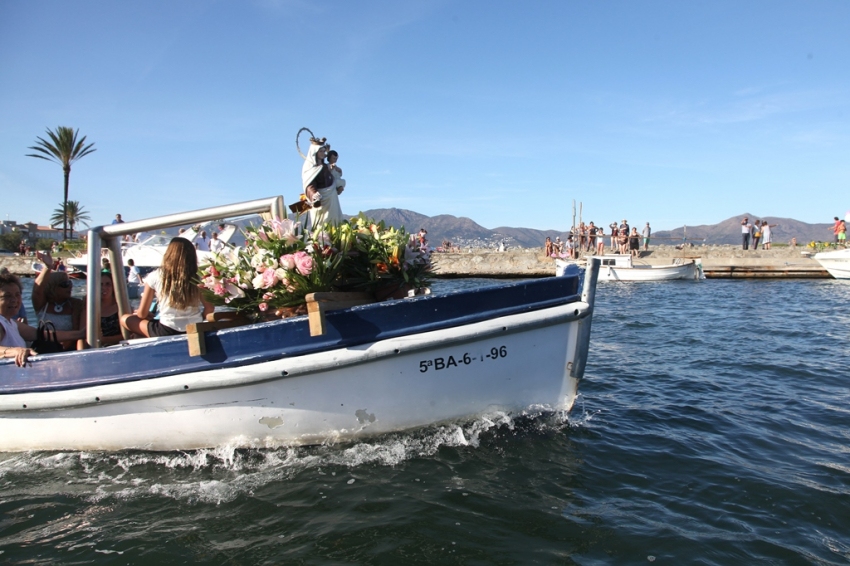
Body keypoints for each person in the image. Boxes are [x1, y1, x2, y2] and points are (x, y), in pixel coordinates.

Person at [120, 237, 213, 337]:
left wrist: (145, 314)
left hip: (166, 330)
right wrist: (199, 318)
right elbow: (210, 308)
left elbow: (142, 314)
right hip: (195, 328)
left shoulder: (155, 276)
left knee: (125, 318)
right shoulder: (198, 278)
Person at [1, 271, 82, 366]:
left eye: (17, 295)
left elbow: (43, 334)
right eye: (7, 296)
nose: (14, 300)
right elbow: (37, 291)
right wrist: (15, 351)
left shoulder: (11, 323)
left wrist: (81, 334)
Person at [33, 251, 84, 350]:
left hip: (66, 350)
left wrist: (60, 348)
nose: (69, 286)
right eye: (64, 284)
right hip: (44, 348)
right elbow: (37, 290)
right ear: (53, 288)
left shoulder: (75, 304)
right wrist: (48, 267)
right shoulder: (43, 305)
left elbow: (77, 330)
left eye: (70, 283)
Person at [303, 141, 342, 227]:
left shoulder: (325, 166)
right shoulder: (310, 169)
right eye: (320, 151)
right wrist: (314, 194)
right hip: (321, 198)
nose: (322, 153)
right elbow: (309, 184)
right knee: (323, 224)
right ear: (315, 152)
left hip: (332, 195)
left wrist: (338, 186)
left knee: (335, 221)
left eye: (323, 151)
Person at [79, 270, 123, 347]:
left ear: (114, 286)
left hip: (118, 346)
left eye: (108, 284)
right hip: (94, 347)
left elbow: (128, 334)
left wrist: (103, 340)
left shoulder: (122, 306)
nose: (104, 287)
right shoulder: (89, 308)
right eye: (100, 284)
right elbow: (82, 335)